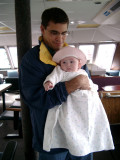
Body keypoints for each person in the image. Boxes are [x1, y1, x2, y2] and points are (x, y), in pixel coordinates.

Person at [20, 7, 97, 160]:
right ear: (42, 29)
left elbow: (87, 85)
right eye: (54, 32)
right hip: (52, 139)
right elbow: (36, 99)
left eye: (64, 33)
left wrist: (86, 86)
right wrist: (73, 84)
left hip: (79, 132)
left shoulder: (74, 55)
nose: (60, 39)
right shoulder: (32, 60)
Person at [43, 46, 114, 156]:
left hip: (85, 101)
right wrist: (49, 83)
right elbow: (53, 77)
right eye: (64, 62)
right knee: (70, 123)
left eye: (72, 62)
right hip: (70, 102)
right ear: (60, 64)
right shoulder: (60, 71)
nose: (68, 65)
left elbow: (91, 84)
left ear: (79, 64)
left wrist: (92, 90)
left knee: (87, 122)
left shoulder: (83, 72)